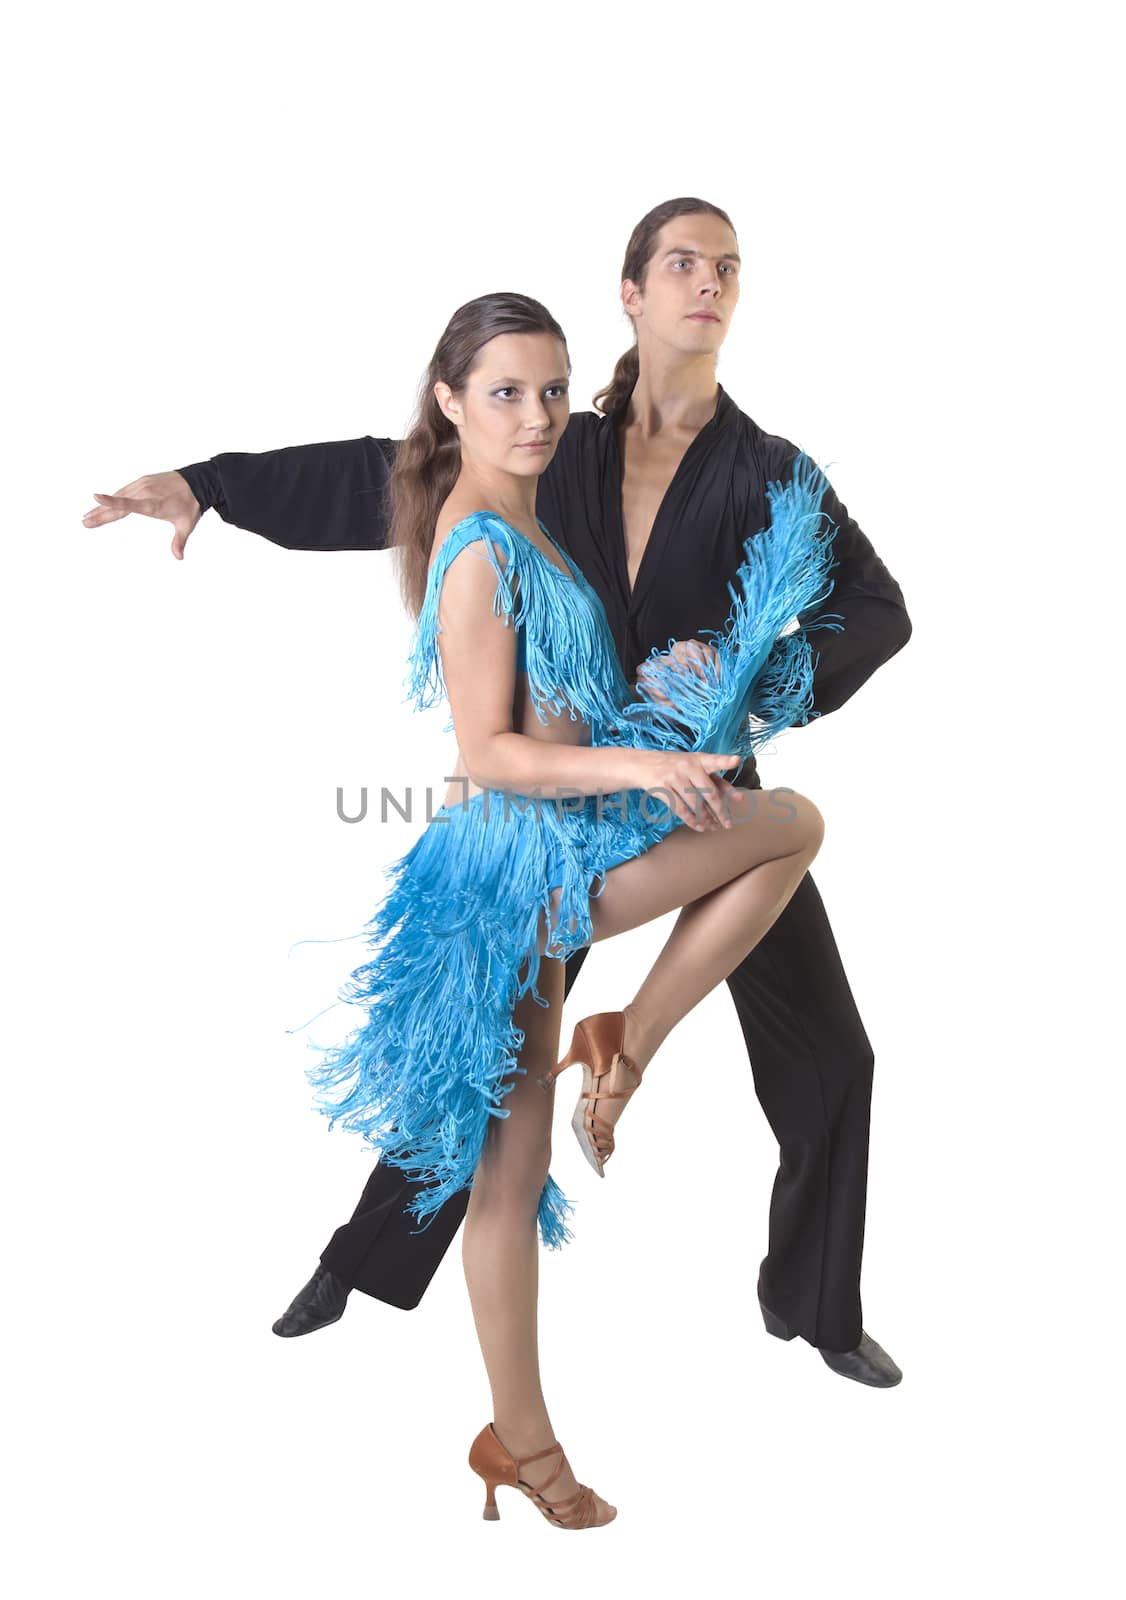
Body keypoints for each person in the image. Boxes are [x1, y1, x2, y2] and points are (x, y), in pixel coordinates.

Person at [82, 197, 911, 1386]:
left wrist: (751, 680)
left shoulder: (773, 475)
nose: (706, 284)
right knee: (473, 1053)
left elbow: (879, 611)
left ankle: (818, 1304)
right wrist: (212, 484)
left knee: (831, 1050)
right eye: (680, 263)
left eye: (727, 267)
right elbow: (392, 473)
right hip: (556, 804)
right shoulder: (553, 439)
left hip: (697, 787)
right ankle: (363, 1260)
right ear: (630, 291)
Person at [293, 288, 829, 1526]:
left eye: (548, 389)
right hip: (512, 878)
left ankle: (619, 1046)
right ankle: (524, 1440)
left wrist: (659, 690)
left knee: (514, 1165)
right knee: (783, 824)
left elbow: (553, 708)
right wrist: (647, 765)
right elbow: (487, 750)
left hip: (556, 847)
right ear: (448, 403)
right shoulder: (480, 540)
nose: (535, 417)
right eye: (502, 394)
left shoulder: (519, 519)